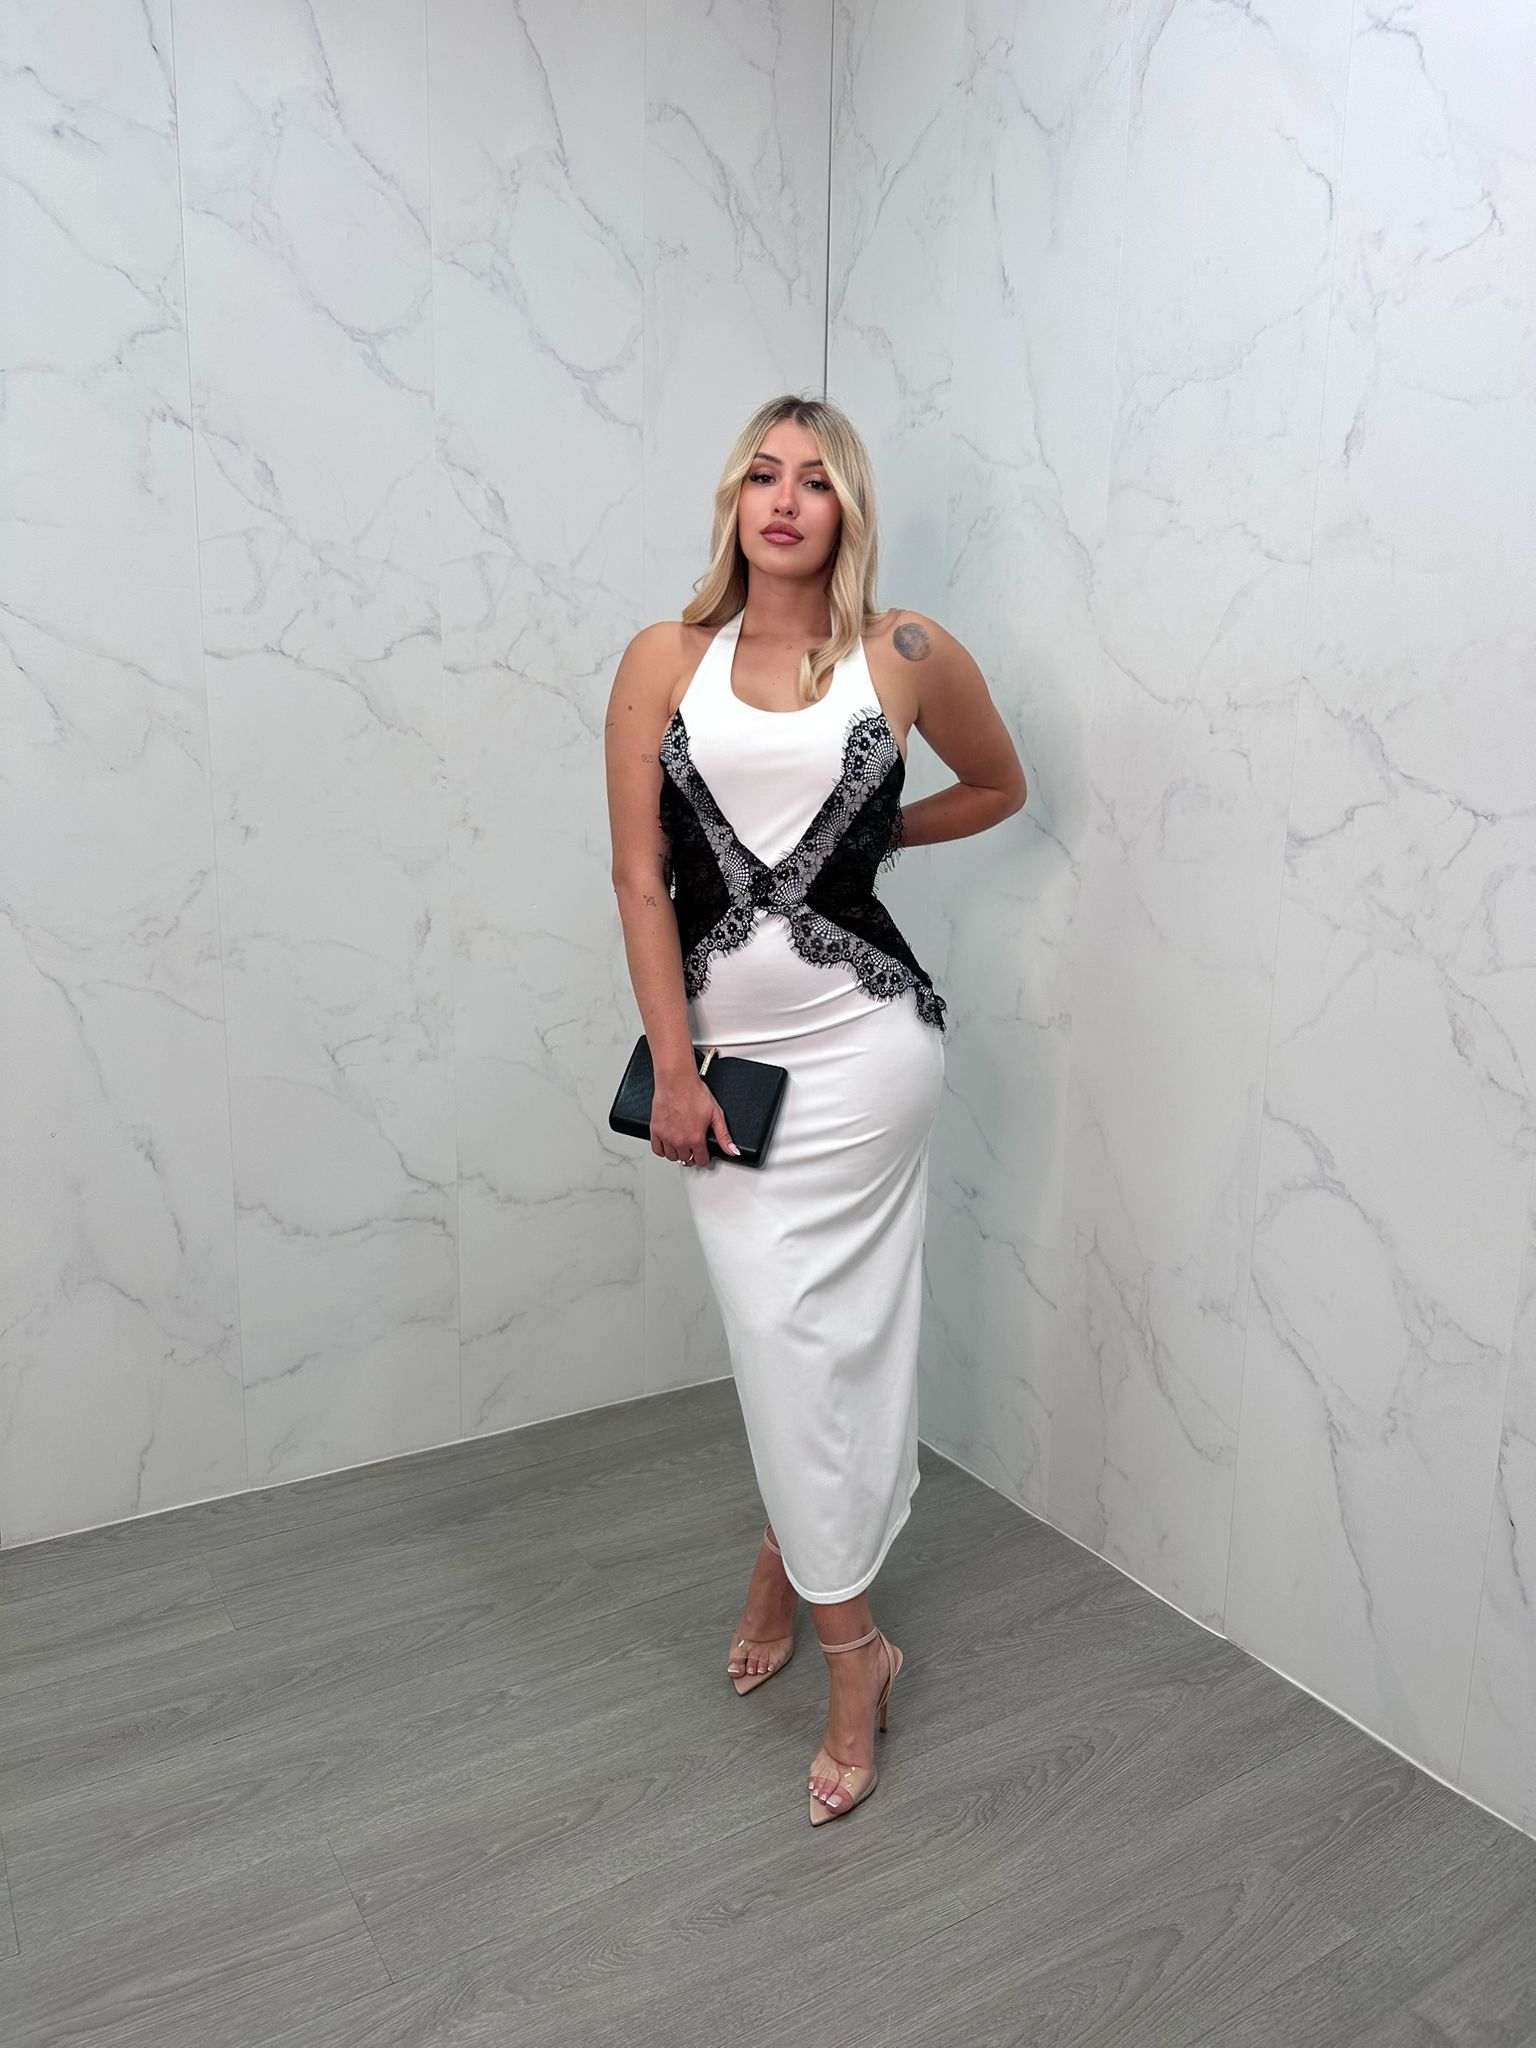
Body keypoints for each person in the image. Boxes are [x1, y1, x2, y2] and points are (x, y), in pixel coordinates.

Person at [604, 394, 1027, 1825]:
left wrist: (878, 830)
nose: (785, 500)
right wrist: (673, 1069)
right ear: (734, 501)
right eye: (762, 476)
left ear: (849, 509)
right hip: (728, 1065)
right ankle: (807, 1569)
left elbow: (1000, 785)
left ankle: (853, 1655)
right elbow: (641, 878)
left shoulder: (905, 655)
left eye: (816, 480)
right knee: (780, 1332)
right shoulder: (665, 659)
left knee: (834, 1333)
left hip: (870, 1051)